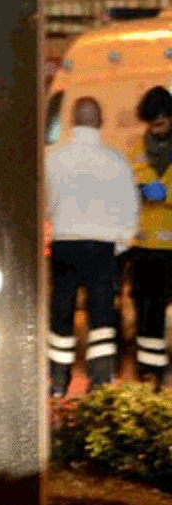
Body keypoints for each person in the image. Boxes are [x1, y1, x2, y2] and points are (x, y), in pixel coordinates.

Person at [46, 97, 139, 397]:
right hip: (102, 249)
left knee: (61, 314)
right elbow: (130, 209)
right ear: (100, 122)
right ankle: (100, 382)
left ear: (72, 122)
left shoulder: (53, 159)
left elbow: (44, 204)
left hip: (64, 244)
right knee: (101, 317)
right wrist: (121, 244)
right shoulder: (117, 161)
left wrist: (52, 233)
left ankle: (58, 381)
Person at [127, 85, 172, 388]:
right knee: (147, 314)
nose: (155, 129)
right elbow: (127, 192)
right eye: (150, 123)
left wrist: (153, 192)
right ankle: (150, 371)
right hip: (143, 247)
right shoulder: (135, 152)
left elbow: (148, 190)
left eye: (161, 122)